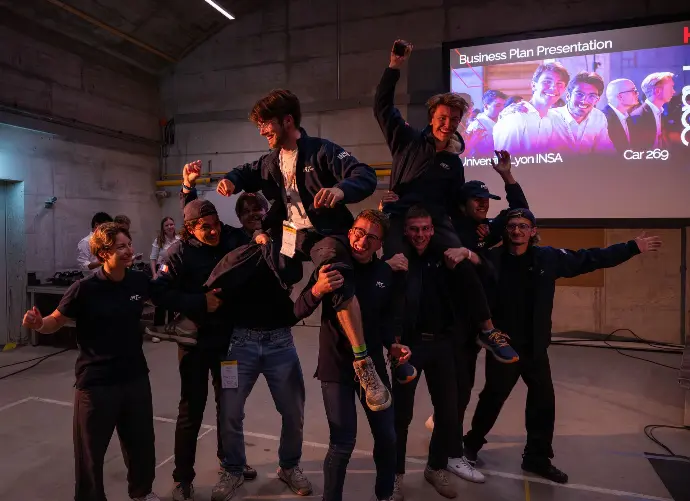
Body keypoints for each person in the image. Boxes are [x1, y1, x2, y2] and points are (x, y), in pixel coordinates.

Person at [212, 89, 389, 412]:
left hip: (323, 234)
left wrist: (340, 190)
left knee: (335, 275)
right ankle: (194, 317)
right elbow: (246, 171)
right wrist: (231, 180)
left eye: (266, 124)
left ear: (287, 121)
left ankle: (363, 363)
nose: (262, 131)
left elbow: (364, 175)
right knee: (246, 256)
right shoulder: (271, 162)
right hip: (290, 236)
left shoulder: (322, 151)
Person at [462, 209, 662, 483]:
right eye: (512, 226)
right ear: (506, 230)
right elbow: (471, 295)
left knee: (543, 403)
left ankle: (537, 458)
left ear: (533, 231)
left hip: (535, 348)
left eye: (523, 226)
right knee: (493, 399)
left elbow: (592, 258)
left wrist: (632, 247)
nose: (517, 231)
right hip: (504, 348)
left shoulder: (549, 258)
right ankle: (471, 445)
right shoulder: (492, 260)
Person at [374, 39, 518, 364]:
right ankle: (396, 346)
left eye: (454, 119)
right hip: (401, 215)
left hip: (436, 221)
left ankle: (487, 329)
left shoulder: (453, 163)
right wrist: (394, 66)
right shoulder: (406, 140)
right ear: (431, 117)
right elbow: (382, 106)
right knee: (399, 268)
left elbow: (456, 203)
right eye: (443, 117)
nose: (447, 123)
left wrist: (476, 225)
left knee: (462, 261)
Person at [23, 223, 160, 501]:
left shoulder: (138, 281)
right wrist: (39, 324)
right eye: (120, 247)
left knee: (142, 443)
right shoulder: (83, 289)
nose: (128, 251)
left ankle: (142, 493)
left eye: (129, 244)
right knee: (90, 453)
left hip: (134, 376)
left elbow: (167, 296)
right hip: (96, 383)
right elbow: (55, 321)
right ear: (103, 253)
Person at [294, 209, 411, 501]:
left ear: (380, 244)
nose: (363, 241)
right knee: (343, 442)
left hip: (372, 368)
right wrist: (317, 290)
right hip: (336, 367)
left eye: (372, 237)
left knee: (387, 437)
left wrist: (392, 345)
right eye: (359, 232)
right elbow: (297, 310)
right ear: (349, 233)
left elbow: (385, 322)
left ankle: (384, 495)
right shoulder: (334, 267)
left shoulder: (384, 273)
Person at [150, 189, 255, 501]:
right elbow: (159, 293)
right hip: (193, 346)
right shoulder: (177, 253)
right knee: (191, 411)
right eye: (205, 227)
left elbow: (255, 226)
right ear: (190, 228)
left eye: (216, 224)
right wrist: (199, 302)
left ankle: (230, 462)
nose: (213, 231)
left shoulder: (229, 240)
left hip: (228, 346)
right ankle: (183, 478)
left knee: (229, 407)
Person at [391, 205, 497, 501]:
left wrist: (469, 254)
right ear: (405, 231)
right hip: (408, 346)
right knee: (401, 415)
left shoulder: (447, 257)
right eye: (414, 229)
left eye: (425, 228)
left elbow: (488, 275)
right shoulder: (399, 258)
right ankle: (395, 475)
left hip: (442, 344)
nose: (420, 234)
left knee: (448, 413)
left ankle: (435, 468)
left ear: (432, 230)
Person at [201, 231, 311, 500]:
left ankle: (289, 466)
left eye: (258, 211)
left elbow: (298, 267)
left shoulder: (282, 245)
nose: (254, 214)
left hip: (280, 341)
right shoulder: (233, 244)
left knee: (293, 411)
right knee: (230, 411)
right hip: (240, 343)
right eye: (247, 211)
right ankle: (233, 469)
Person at [493, 62, 570, 154]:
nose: (553, 87)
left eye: (559, 83)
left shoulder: (557, 119)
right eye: (547, 81)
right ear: (534, 85)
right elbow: (504, 160)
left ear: (564, 89)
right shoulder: (515, 117)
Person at [549, 71, 615, 154]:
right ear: (568, 96)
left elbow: (606, 151)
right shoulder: (551, 117)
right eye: (579, 94)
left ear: (597, 100)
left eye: (592, 96)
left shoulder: (598, 117)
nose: (584, 101)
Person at [146, 217, 180, 340]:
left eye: (171, 224)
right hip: (163, 269)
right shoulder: (159, 240)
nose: (170, 227)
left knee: (173, 300)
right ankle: (157, 330)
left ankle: (170, 329)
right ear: (163, 228)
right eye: (167, 225)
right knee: (160, 301)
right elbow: (153, 258)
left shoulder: (179, 239)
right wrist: (154, 274)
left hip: (176, 272)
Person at [629, 72, 675, 149]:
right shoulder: (637, 117)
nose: (674, 91)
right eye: (671, 87)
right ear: (657, 91)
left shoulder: (659, 113)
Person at [465, 90, 508, 156]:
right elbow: (468, 153)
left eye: (504, 105)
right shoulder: (476, 126)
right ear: (486, 106)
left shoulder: (504, 120)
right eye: (498, 105)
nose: (502, 108)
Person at [604, 78, 640, 153]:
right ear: (620, 97)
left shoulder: (629, 118)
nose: (637, 94)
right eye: (633, 91)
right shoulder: (603, 121)